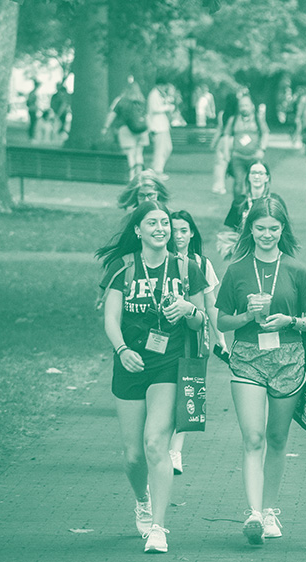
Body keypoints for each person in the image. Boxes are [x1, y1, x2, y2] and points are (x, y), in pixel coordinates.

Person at [96, 201, 209, 554]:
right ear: (138, 230)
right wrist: (121, 350)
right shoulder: (122, 268)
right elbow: (111, 318)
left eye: (165, 223)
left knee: (155, 444)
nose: (161, 228)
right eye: (153, 223)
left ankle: (158, 527)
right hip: (130, 363)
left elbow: (202, 320)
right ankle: (142, 499)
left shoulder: (187, 268)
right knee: (133, 456)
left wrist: (190, 309)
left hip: (169, 365)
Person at [215, 195, 306, 545]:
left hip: (288, 358)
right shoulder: (236, 269)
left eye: (273, 228)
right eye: (260, 228)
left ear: (283, 229)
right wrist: (247, 316)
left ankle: (270, 508)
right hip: (246, 356)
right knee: (253, 437)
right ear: (250, 229)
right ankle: (253, 512)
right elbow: (221, 319)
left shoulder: (297, 270)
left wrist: (288, 320)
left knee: (277, 439)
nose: (267, 234)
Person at [166, 210, 229, 476]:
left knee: (186, 395)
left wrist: (221, 338)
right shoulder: (160, 261)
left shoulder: (202, 265)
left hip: (193, 339)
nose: (179, 236)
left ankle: (174, 452)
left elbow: (211, 304)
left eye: (184, 230)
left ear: (192, 233)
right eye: (174, 230)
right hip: (163, 339)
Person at [217, 160, 272, 259]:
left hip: (268, 250)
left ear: (267, 177)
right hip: (244, 253)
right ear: (248, 177)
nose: (256, 176)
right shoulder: (239, 202)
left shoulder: (274, 201)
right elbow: (231, 231)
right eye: (253, 173)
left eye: (260, 173)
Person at [225, 94, 270, 210]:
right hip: (237, 157)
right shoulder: (233, 120)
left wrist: (262, 149)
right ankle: (238, 210)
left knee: (256, 183)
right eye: (241, 105)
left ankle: (257, 208)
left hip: (254, 157)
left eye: (246, 105)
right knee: (238, 184)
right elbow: (227, 136)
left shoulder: (258, 119)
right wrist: (226, 153)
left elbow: (265, 133)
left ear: (252, 106)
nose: (244, 108)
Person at [103, 80, 150, 179]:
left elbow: (112, 115)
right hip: (142, 130)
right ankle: (139, 177)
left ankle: (131, 177)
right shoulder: (142, 100)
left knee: (130, 154)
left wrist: (105, 127)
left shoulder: (121, 100)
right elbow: (147, 116)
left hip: (125, 130)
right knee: (139, 153)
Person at [148, 78, 176, 179]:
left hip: (163, 126)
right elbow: (154, 109)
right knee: (160, 149)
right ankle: (157, 171)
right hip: (157, 126)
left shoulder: (160, 94)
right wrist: (168, 107)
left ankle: (157, 168)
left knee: (168, 148)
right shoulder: (154, 94)